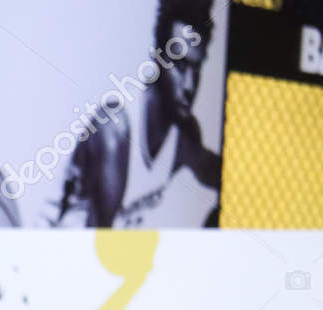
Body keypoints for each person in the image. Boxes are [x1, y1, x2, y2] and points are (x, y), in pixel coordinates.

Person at [50, 0, 220, 228]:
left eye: (196, 69)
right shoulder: (115, 128)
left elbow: (222, 174)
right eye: (179, 66)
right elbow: (99, 247)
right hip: (59, 253)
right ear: (157, 60)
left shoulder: (186, 136)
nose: (189, 85)